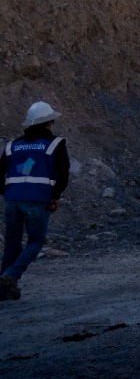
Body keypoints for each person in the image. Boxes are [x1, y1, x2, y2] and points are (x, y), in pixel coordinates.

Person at [1, 102, 71, 301]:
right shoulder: (55, 144)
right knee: (36, 241)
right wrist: (54, 196)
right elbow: (63, 174)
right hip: (38, 200)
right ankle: (10, 276)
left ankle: (3, 290)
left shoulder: (12, 145)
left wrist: (8, 193)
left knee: (12, 244)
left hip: (12, 199)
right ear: (49, 123)